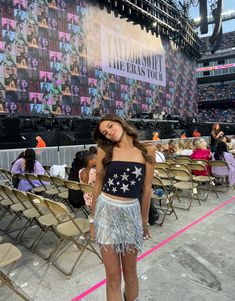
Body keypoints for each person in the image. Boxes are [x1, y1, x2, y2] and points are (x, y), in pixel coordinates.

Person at [91, 114, 155, 301]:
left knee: (130, 273)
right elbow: (97, 187)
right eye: (105, 132)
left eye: (110, 126)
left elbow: (147, 190)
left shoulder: (147, 150)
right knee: (112, 277)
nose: (109, 132)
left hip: (130, 215)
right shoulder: (104, 150)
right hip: (106, 214)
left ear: (120, 122)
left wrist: (144, 222)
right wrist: (92, 220)